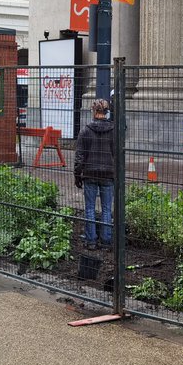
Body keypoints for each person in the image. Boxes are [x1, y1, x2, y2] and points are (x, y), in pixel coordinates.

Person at [74, 98, 115, 251]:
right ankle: (106, 241)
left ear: (94, 111)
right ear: (106, 112)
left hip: (89, 173)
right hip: (108, 173)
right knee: (106, 208)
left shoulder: (85, 130)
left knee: (90, 208)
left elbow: (79, 156)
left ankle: (91, 240)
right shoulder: (113, 130)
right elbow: (116, 154)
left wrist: (77, 175)